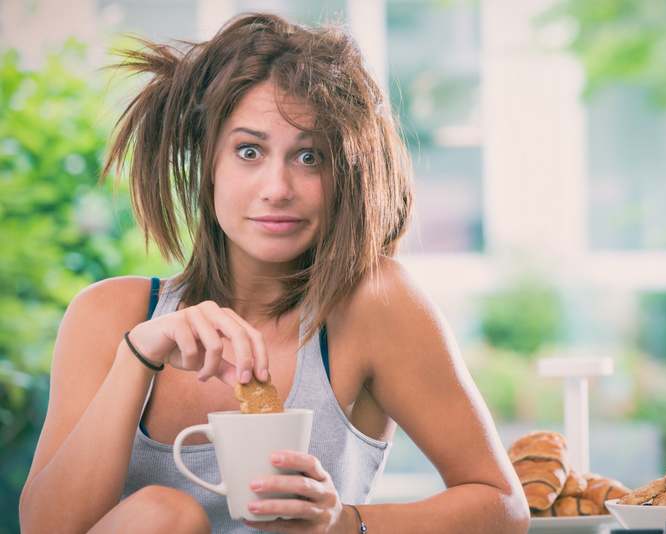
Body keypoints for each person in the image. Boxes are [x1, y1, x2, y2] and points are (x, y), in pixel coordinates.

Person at [18, 12, 529, 534]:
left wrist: (342, 521)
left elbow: (503, 506)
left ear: (345, 173)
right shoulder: (111, 316)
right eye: (249, 151)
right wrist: (140, 355)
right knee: (164, 516)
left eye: (310, 157)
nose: (278, 187)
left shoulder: (375, 304)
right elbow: (46, 527)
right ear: (207, 162)